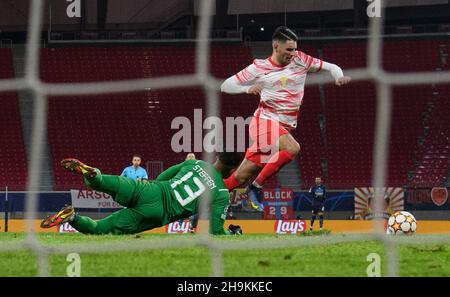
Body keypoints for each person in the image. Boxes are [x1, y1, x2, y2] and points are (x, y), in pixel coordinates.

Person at [220, 26, 351, 212]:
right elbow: (226, 85)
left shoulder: (301, 60)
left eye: (295, 48)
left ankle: (198, 204)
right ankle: (255, 188)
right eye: (289, 49)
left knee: (237, 179)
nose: (293, 53)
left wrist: (338, 76)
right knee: (293, 148)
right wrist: (246, 89)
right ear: (276, 47)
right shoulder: (259, 67)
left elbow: (331, 67)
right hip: (263, 122)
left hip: (282, 128)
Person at [40, 153, 243, 235]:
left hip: (151, 189)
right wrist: (232, 234)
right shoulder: (222, 193)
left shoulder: (195, 163)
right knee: (100, 229)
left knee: (102, 182)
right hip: (157, 212)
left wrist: (154, 188)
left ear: (216, 157)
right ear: (233, 170)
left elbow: (165, 175)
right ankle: (72, 217)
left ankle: (94, 175)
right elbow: (216, 230)